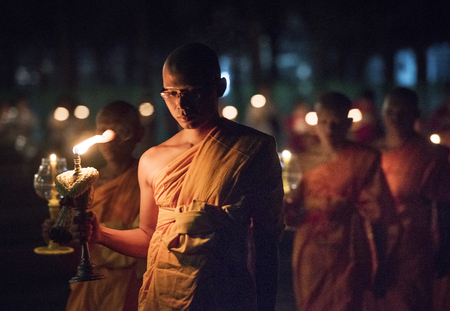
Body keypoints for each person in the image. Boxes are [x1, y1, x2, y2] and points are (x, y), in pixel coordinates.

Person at [73, 43, 284, 311]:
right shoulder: (152, 159)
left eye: (192, 93)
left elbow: (267, 242)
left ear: (219, 88)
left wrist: (266, 305)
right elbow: (149, 236)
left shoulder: (253, 149)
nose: (181, 105)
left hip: (224, 294)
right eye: (171, 93)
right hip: (164, 294)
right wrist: (101, 234)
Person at [284, 91, 397, 311]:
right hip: (311, 247)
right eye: (324, 122)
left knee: (348, 301)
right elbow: (289, 213)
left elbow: (378, 214)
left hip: (350, 243)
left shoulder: (365, 158)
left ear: (349, 122)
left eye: (336, 123)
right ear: (315, 122)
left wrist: (380, 264)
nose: (329, 130)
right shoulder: (302, 161)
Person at [42, 100, 146, 311]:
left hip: (129, 290)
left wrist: (95, 239)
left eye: (119, 130)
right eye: (102, 131)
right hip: (88, 292)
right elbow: (75, 259)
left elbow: (145, 242)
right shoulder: (86, 184)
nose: (108, 139)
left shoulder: (147, 180)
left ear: (138, 134)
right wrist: (61, 240)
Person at [372, 87, 450, 311]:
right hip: (371, 244)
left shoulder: (431, 155)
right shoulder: (370, 154)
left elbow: (443, 205)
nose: (395, 117)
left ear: (416, 115)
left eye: (402, 112)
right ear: (382, 113)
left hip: (412, 246)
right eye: (390, 111)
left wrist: (444, 247)